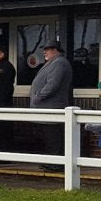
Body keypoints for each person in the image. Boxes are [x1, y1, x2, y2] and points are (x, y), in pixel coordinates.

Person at [28, 41, 73, 171]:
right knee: (47, 137)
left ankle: (57, 163)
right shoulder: (51, 63)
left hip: (51, 107)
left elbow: (53, 85)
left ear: (56, 50)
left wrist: (38, 96)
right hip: (44, 108)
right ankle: (50, 161)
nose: (44, 52)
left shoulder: (60, 63)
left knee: (54, 137)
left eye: (47, 49)